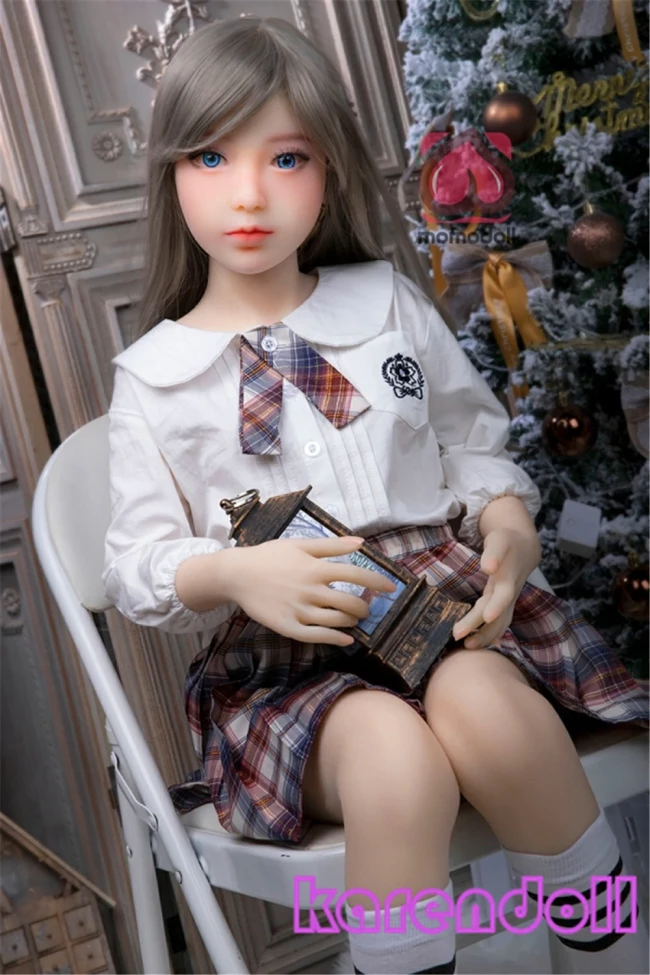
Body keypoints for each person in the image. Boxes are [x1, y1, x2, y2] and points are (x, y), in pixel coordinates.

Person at [102, 16, 649, 975]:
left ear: (329, 168)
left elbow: (469, 441)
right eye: (211, 156)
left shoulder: (384, 305)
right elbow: (134, 563)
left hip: (442, 611)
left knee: (499, 722)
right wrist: (233, 571)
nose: (248, 193)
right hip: (292, 665)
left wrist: (508, 521)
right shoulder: (156, 379)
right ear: (170, 173)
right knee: (396, 762)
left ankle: (605, 942)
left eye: (286, 158)